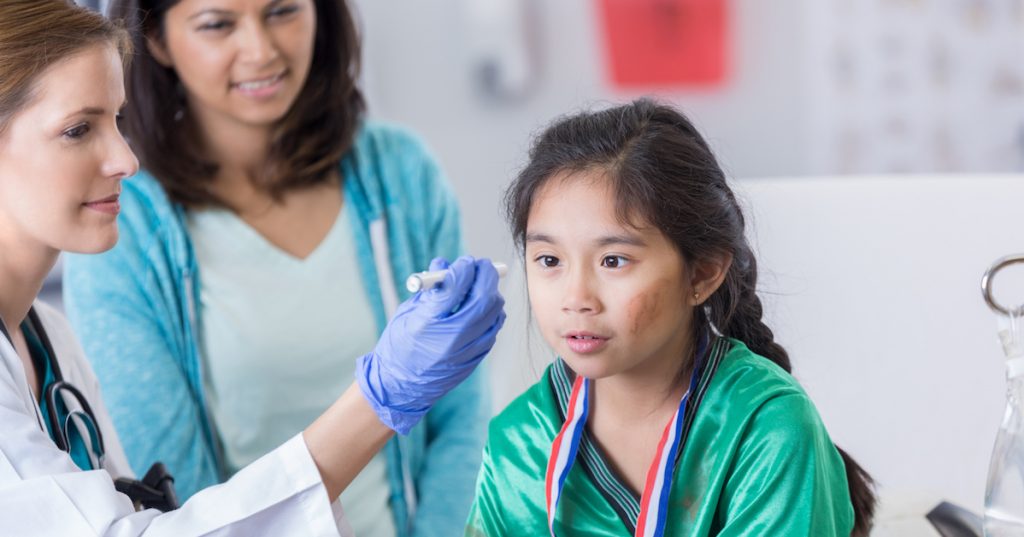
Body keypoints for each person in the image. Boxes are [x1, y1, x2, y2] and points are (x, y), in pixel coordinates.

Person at [0, 1, 504, 534]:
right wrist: (379, 400)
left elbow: (147, 514)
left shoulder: (47, 337)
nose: (126, 160)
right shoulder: (137, 235)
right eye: (78, 129)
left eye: (118, 121)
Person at [464, 99, 876, 536]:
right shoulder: (518, 443)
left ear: (702, 273)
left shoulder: (768, 429)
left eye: (614, 261)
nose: (576, 298)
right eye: (549, 260)